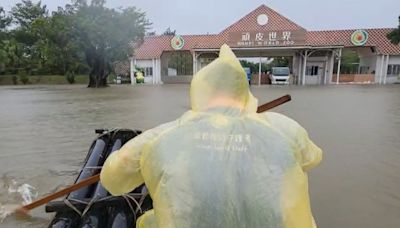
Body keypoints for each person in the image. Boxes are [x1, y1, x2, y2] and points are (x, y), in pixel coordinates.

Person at [100, 44, 323, 228]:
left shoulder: (163, 135)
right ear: (243, 92)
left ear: (200, 92)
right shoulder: (284, 128)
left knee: (149, 221)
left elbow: (113, 180)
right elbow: (313, 158)